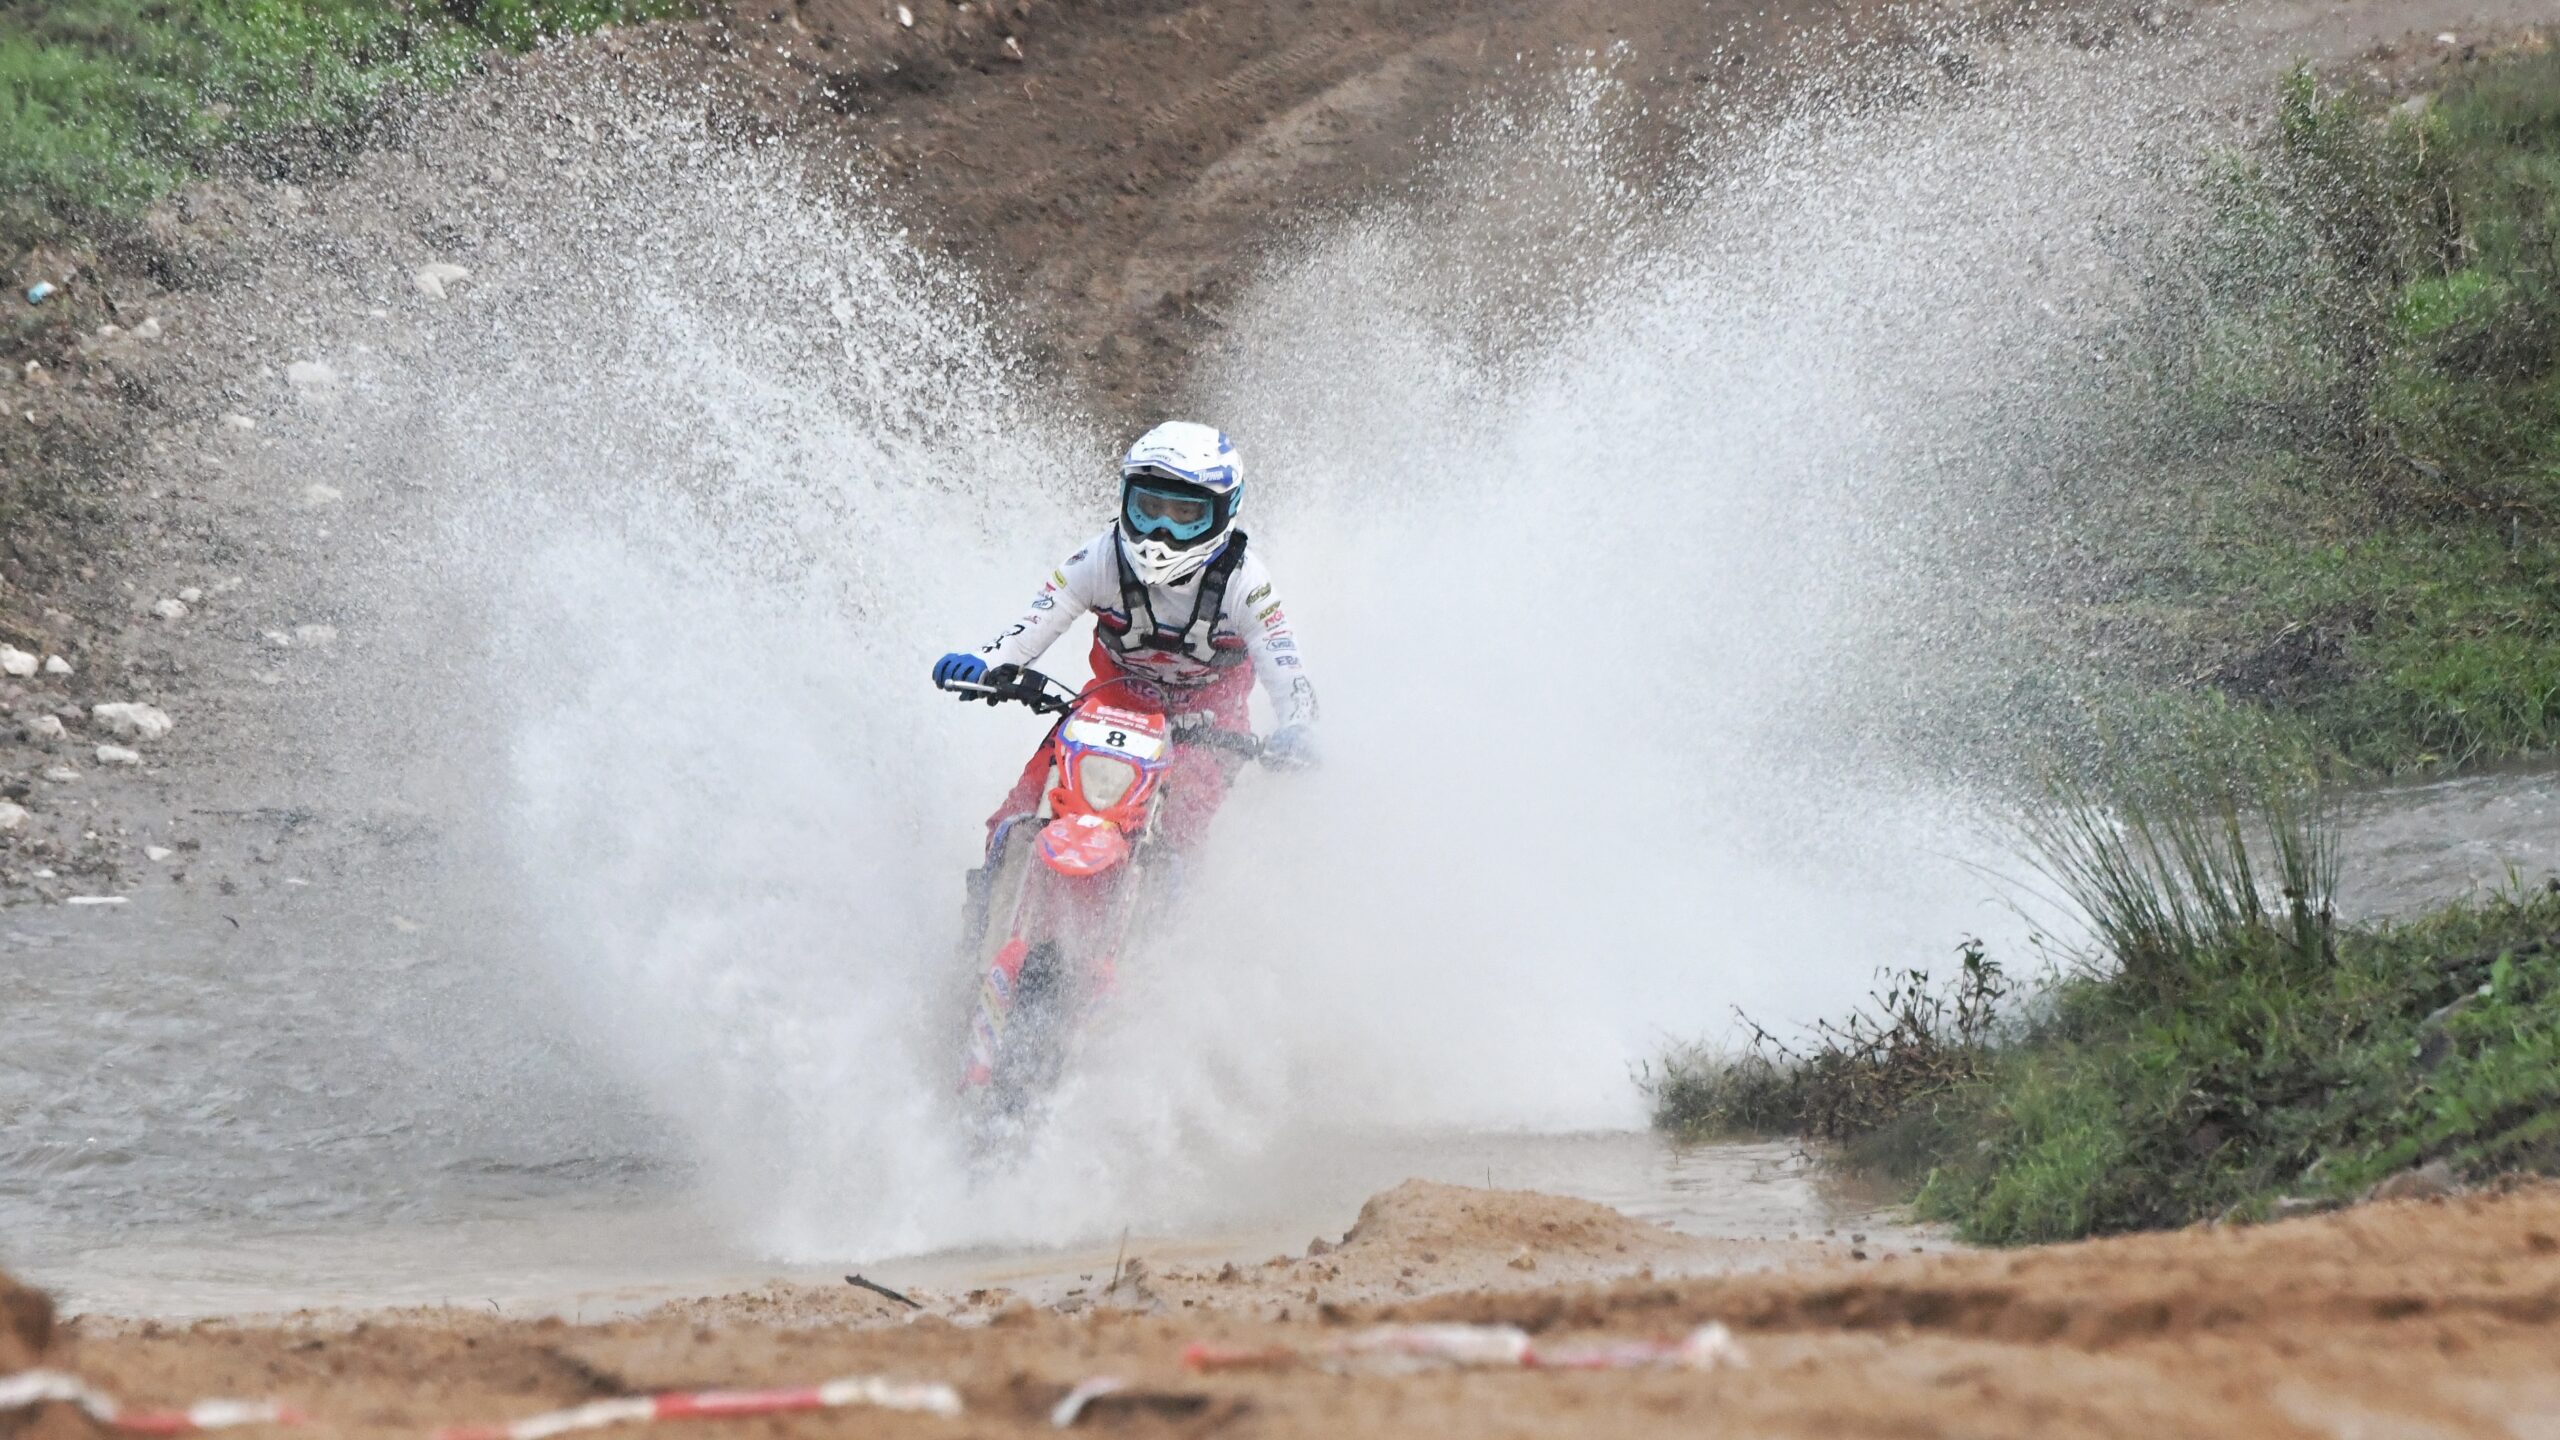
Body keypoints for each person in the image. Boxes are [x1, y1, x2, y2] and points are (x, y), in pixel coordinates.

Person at [932, 421, 1319, 855]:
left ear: (1222, 512)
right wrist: (985, 663)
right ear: (1126, 499)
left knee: (1178, 837)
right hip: (1109, 705)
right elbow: (1032, 626)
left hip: (1211, 726)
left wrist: (1298, 725)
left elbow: (1287, 668)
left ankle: (1164, 918)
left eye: (1185, 516)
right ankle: (988, 911)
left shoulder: (1247, 584)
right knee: (1015, 819)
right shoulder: (1097, 559)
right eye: (1148, 507)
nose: (1160, 533)